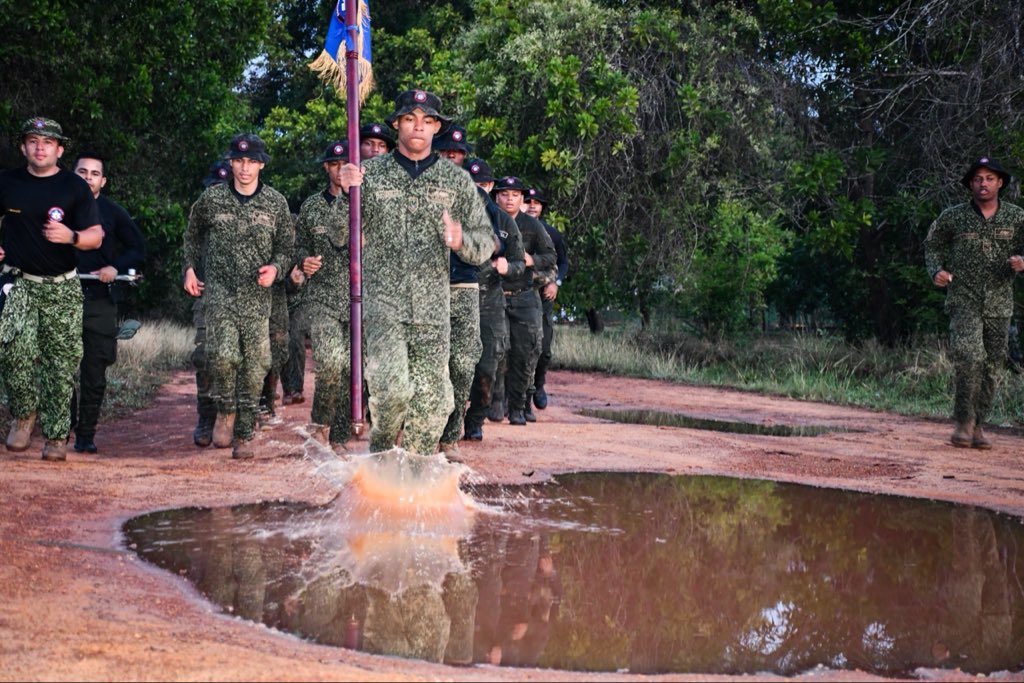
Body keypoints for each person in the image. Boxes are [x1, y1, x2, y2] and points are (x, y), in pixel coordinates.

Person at [338, 89, 495, 456]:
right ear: (397, 124)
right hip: (384, 307)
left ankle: (415, 472)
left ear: (437, 127)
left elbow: (485, 241)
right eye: (410, 119)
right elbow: (338, 235)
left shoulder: (456, 181)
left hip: (433, 310)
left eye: (427, 120)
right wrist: (346, 194)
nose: (418, 127)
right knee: (391, 394)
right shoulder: (369, 175)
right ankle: (381, 458)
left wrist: (461, 241)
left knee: (433, 402)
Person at [182, 133, 293, 459]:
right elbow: (191, 238)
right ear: (231, 163)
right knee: (222, 357)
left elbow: (286, 248)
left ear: (261, 165)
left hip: (257, 300)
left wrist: (276, 268)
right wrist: (189, 269)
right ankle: (226, 410)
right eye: (239, 161)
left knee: (256, 366)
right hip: (219, 296)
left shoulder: (276, 203)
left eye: (251, 162)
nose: (245, 168)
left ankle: (244, 433)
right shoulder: (211, 200)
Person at [0, 117, 104, 462]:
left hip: (62, 287)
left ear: (59, 150)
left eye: (47, 142)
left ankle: (57, 437)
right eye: (33, 141)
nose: (40, 147)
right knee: (12, 351)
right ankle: (24, 413)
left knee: (60, 365)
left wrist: (71, 236)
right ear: (23, 148)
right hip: (19, 284)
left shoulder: (74, 187)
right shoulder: (8, 182)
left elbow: (95, 236)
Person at [924, 156, 1024, 449]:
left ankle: (979, 425)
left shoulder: (1017, 217)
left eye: (990, 178)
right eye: (978, 179)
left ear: (1000, 183)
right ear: (970, 184)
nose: (984, 184)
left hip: (999, 302)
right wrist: (936, 270)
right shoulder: (953, 217)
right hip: (963, 298)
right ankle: (964, 422)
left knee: (993, 365)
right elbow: (933, 245)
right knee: (969, 356)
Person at [71, 152, 146, 454]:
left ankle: (85, 435)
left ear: (103, 180)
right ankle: (61, 427)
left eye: (94, 173)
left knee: (94, 372)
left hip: (99, 300)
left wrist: (115, 267)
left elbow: (138, 248)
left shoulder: (114, 213)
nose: (88, 178)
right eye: (82, 172)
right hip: (60, 298)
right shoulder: (57, 207)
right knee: (59, 368)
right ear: (72, 174)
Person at [293, 140, 353, 451]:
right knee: (330, 362)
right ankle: (320, 423)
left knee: (350, 369)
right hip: (322, 297)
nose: (339, 170)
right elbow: (299, 245)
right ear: (326, 168)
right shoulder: (311, 207)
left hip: (359, 298)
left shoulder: (364, 202)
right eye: (334, 164)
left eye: (345, 165)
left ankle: (340, 436)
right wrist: (303, 260)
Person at [461, 158, 524, 442]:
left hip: (489, 299)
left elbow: (519, 262)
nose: (477, 188)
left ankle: (475, 419)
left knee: (488, 365)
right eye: (471, 183)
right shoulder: (450, 214)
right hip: (455, 295)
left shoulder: (504, 221)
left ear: (489, 186)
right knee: (453, 365)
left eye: (483, 184)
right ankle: (449, 422)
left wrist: (508, 268)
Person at [492, 176, 556, 426]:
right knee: (497, 351)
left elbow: (550, 256)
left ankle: (518, 407)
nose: (510, 199)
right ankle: (496, 400)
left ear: (522, 199)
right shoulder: (489, 219)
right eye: (505, 194)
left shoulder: (532, 225)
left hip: (525, 295)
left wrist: (532, 260)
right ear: (496, 196)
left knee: (525, 353)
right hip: (495, 295)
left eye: (515, 195)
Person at [435, 125, 484, 453]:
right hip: (427, 287)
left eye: (457, 152)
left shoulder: (476, 196)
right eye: (446, 152)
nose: (452, 156)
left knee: (463, 364)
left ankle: (450, 437)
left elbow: (493, 241)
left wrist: (463, 240)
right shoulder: (418, 187)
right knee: (427, 365)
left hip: (464, 287)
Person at [189, 159, 232, 447]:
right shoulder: (200, 220)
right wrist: (188, 270)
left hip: (244, 300)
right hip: (208, 297)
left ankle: (234, 414)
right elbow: (189, 250)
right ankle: (206, 416)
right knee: (205, 357)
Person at [523, 187, 568, 410]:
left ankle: (538, 385)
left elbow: (563, 263)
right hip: (518, 293)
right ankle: (517, 397)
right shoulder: (513, 228)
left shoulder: (552, 233)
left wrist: (555, 283)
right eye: (529, 201)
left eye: (537, 203)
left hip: (543, 295)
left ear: (542, 207)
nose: (532, 206)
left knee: (544, 347)